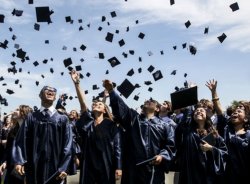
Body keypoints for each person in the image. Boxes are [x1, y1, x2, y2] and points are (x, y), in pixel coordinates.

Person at [103, 79, 176, 184]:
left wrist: (162, 156)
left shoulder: (165, 126)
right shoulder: (133, 119)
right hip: (133, 169)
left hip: (154, 170)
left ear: (157, 109)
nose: (148, 101)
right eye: (146, 101)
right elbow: (122, 109)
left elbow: (170, 146)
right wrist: (111, 90)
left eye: (152, 101)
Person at [12, 86, 73, 184]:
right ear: (40, 95)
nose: (50, 91)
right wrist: (19, 161)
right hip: (34, 167)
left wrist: (64, 167)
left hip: (56, 169)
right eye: (47, 89)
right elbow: (20, 140)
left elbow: (68, 144)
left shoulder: (62, 119)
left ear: (55, 97)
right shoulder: (31, 117)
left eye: (53, 91)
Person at [70, 70, 122, 184]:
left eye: (100, 104)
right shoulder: (88, 123)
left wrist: (118, 166)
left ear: (104, 110)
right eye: (94, 103)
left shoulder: (111, 125)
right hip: (88, 163)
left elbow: (117, 147)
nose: (96, 104)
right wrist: (77, 83)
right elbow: (82, 103)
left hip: (106, 163)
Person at [174, 104, 228, 184]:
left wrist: (211, 148)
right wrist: (188, 108)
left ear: (207, 116)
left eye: (201, 111)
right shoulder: (187, 131)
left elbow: (224, 152)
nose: (198, 112)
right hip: (190, 172)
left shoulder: (213, 134)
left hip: (208, 174)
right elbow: (178, 133)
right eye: (196, 111)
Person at [0, 105, 33, 184]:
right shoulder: (13, 130)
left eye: (17, 110)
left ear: (24, 112)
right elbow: (9, 149)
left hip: (24, 167)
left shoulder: (31, 131)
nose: (14, 111)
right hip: (12, 165)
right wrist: (5, 162)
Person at [221, 103, 250, 184]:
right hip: (228, 177)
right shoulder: (227, 132)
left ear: (246, 119)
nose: (235, 112)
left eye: (239, 111)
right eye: (234, 112)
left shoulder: (248, 135)